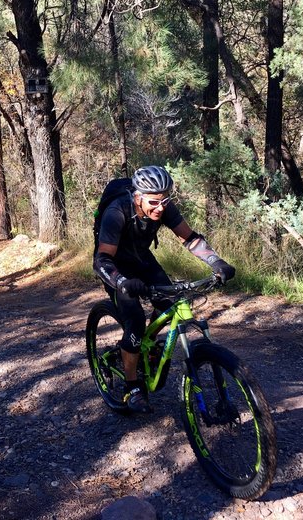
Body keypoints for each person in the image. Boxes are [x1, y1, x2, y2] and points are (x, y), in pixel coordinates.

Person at [93, 165, 235, 413]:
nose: (160, 207)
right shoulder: (116, 212)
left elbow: (190, 238)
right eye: (154, 202)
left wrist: (217, 262)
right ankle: (132, 386)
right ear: (138, 197)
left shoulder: (164, 207)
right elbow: (102, 260)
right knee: (135, 322)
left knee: (170, 305)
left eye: (165, 200)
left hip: (143, 261)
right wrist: (122, 283)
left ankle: (146, 347)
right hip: (116, 268)